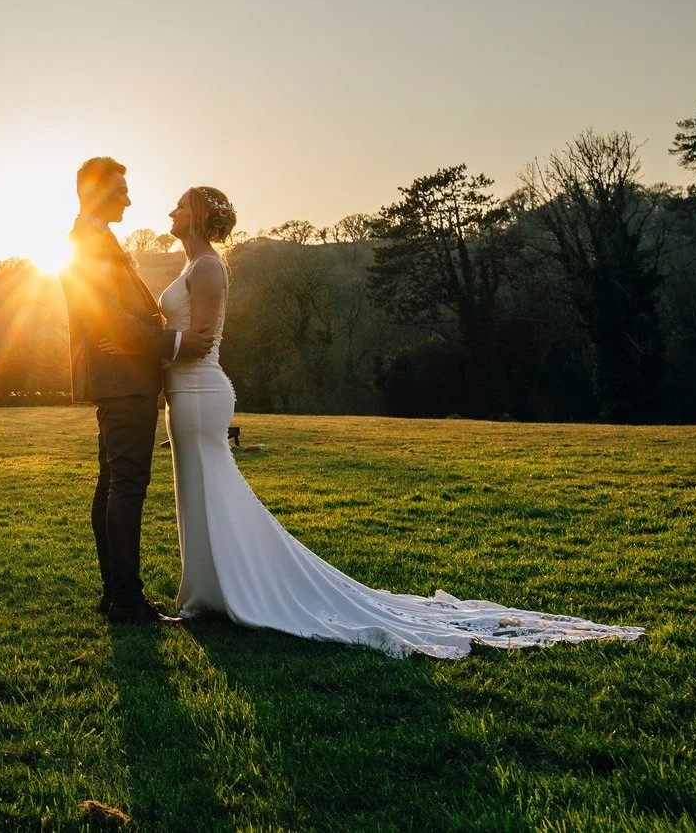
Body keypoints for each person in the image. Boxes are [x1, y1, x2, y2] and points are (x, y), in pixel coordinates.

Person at [159, 184, 644, 658]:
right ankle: (207, 592)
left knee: (212, 488)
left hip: (201, 391)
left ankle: (243, 591)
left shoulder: (207, 268)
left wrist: (149, 347)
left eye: (180, 206)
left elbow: (200, 340)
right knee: (194, 490)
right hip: (183, 393)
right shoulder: (190, 265)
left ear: (199, 216)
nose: (171, 212)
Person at [61, 157, 188, 623]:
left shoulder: (95, 238)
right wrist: (173, 341)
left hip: (120, 374)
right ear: (94, 192)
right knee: (126, 485)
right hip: (123, 376)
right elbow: (107, 316)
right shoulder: (89, 242)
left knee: (113, 482)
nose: (129, 200)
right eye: (120, 191)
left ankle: (115, 595)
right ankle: (128, 601)